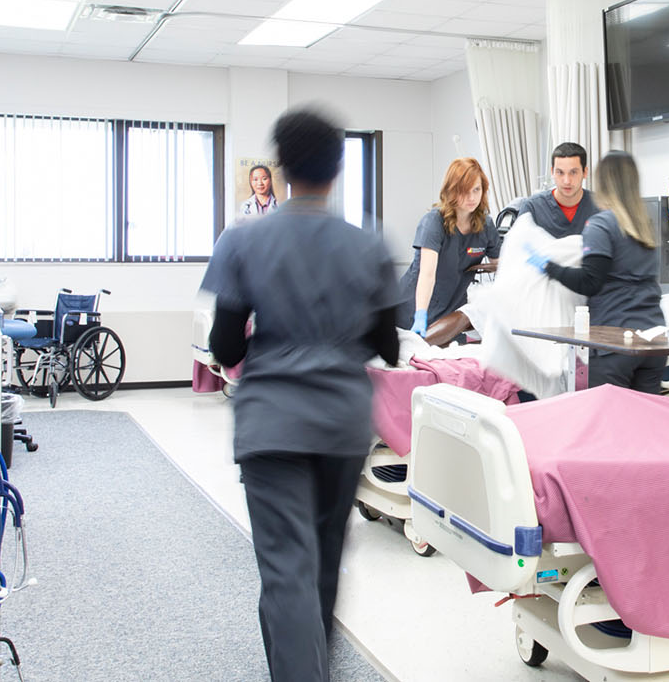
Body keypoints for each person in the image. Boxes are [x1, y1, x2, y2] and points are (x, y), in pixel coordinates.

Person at [201, 106, 400, 682]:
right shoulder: (365, 245)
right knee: (323, 563)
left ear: (280, 168)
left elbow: (226, 348)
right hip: (340, 425)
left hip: (270, 426)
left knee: (286, 569)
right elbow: (387, 346)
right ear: (338, 168)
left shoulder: (243, 242)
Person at [523, 151, 667, 392]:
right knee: (643, 422)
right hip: (653, 340)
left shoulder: (601, 225)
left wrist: (548, 266)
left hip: (614, 342)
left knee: (607, 423)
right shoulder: (646, 225)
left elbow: (590, 281)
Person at [398, 158, 500, 337]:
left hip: (451, 312)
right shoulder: (434, 222)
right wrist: (420, 315)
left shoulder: (486, 226)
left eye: (477, 190)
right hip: (414, 309)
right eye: (465, 191)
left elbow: (501, 265)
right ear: (451, 190)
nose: (472, 197)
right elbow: (427, 275)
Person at [511, 142, 601, 237]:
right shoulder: (532, 208)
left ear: (585, 172)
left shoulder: (601, 207)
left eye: (573, 172)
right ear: (552, 172)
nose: (567, 181)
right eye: (560, 172)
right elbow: (519, 248)